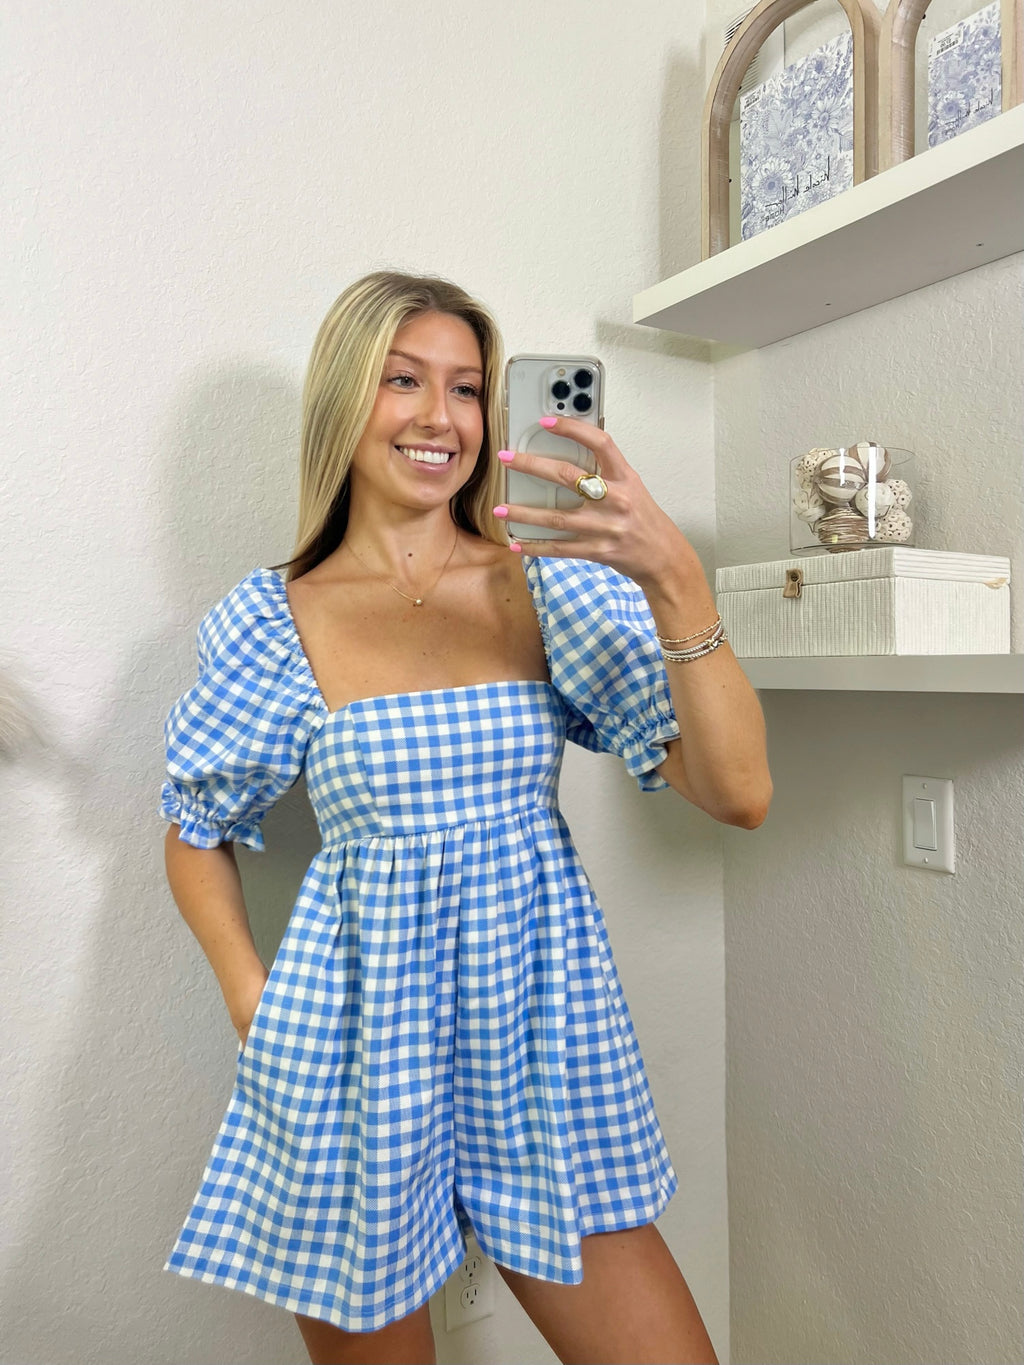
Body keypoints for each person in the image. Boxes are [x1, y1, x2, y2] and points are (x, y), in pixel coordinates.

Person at [160, 270, 771, 1365]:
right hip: (351, 1051)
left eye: (466, 388)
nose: (440, 418)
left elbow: (737, 795)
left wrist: (675, 577)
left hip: (541, 1035)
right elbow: (193, 825)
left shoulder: (550, 584)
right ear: (345, 400)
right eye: (403, 381)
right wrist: (255, 1003)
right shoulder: (270, 621)